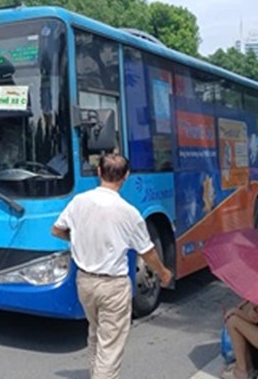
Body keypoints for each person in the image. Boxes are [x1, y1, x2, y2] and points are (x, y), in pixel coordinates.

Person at [51, 153, 172, 379]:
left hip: (85, 282)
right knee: (111, 345)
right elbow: (147, 251)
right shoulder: (129, 213)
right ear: (126, 176)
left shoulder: (79, 201)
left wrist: (80, 240)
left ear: (99, 173)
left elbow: (56, 229)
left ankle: (95, 373)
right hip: (113, 287)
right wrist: (163, 272)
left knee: (96, 333)